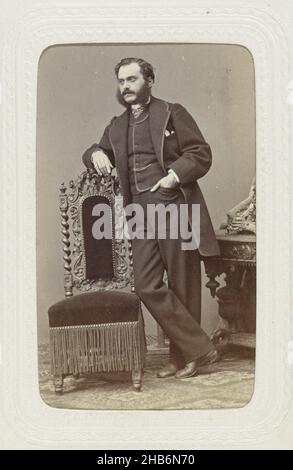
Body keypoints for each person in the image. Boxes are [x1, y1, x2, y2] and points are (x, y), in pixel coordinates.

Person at [82, 57, 220, 379]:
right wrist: (96, 153)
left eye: (132, 80)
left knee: (183, 284)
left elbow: (201, 153)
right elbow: (93, 151)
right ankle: (201, 347)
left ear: (149, 81)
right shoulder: (116, 126)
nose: (126, 87)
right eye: (121, 81)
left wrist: (174, 176)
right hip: (139, 213)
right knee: (146, 285)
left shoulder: (172, 112)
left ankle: (182, 357)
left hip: (172, 204)